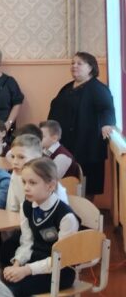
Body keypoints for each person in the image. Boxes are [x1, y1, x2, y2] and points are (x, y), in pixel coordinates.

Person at [3, 157, 79, 297]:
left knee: (14, 290)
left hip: (61, 270)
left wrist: (25, 270)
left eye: (32, 183)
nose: (26, 187)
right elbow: (26, 242)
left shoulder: (66, 216)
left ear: (51, 186)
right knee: (5, 285)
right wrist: (17, 264)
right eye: (24, 182)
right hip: (35, 263)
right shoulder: (26, 206)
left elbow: (61, 260)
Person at [48, 51, 116, 196]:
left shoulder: (98, 88)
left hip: (88, 146)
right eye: (73, 63)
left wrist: (106, 124)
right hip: (66, 143)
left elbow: (107, 109)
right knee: (66, 181)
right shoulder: (67, 87)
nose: (74, 66)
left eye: (79, 63)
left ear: (90, 67)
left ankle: (85, 208)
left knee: (87, 183)